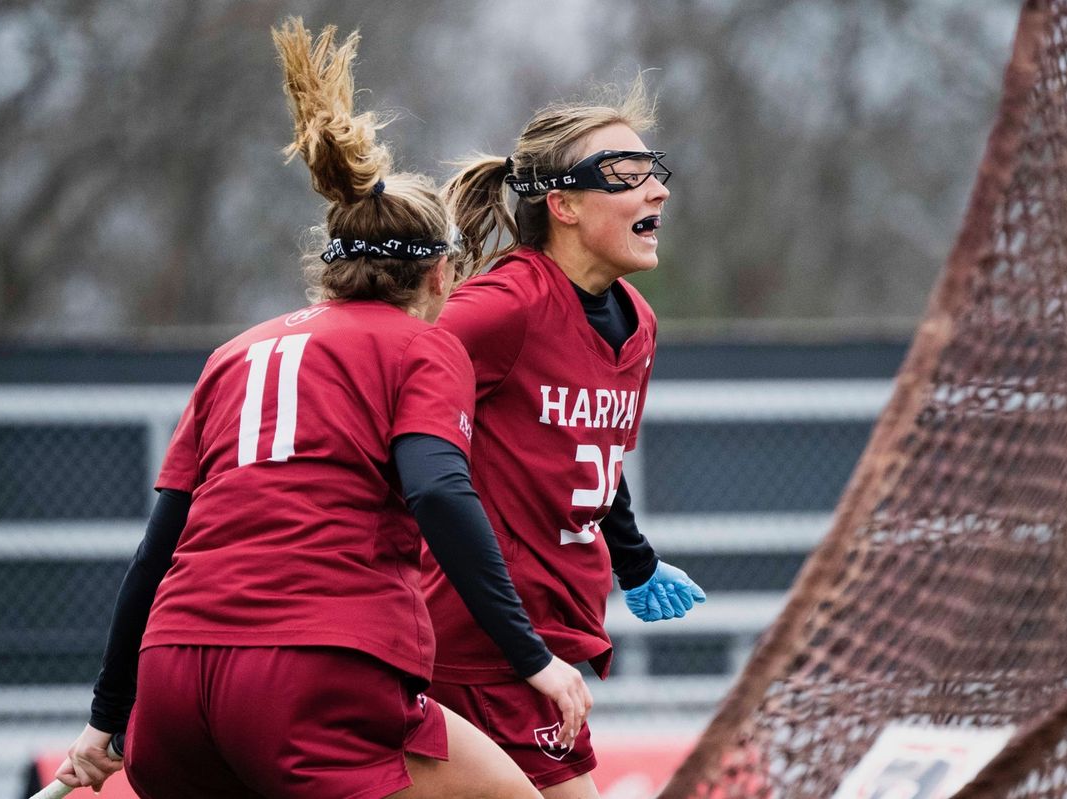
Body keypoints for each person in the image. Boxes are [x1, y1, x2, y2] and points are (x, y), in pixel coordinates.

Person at [50, 18, 591, 799]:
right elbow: (439, 490)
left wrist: (107, 717)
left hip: (171, 678)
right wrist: (533, 657)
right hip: (315, 671)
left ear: (330, 267)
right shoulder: (420, 347)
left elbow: (157, 549)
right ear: (440, 275)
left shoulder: (233, 353)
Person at [420, 78, 707, 798]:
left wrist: (635, 560)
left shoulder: (637, 321)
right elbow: (396, 396)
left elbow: (591, 458)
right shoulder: (502, 306)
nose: (657, 192)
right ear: (564, 204)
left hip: (543, 640)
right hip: (474, 644)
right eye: (625, 175)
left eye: (655, 171)